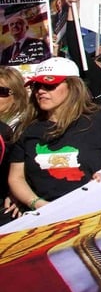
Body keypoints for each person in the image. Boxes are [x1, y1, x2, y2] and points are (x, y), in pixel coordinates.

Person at [7, 58, 101, 211]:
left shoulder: (97, 120)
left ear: (73, 87)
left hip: (95, 209)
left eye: (50, 85)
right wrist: (37, 204)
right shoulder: (26, 129)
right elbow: (16, 177)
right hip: (45, 218)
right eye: (37, 85)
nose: (41, 91)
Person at [0, 67, 35, 222]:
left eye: (1, 91)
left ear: (17, 95)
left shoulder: (25, 125)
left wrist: (16, 192)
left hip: (12, 202)